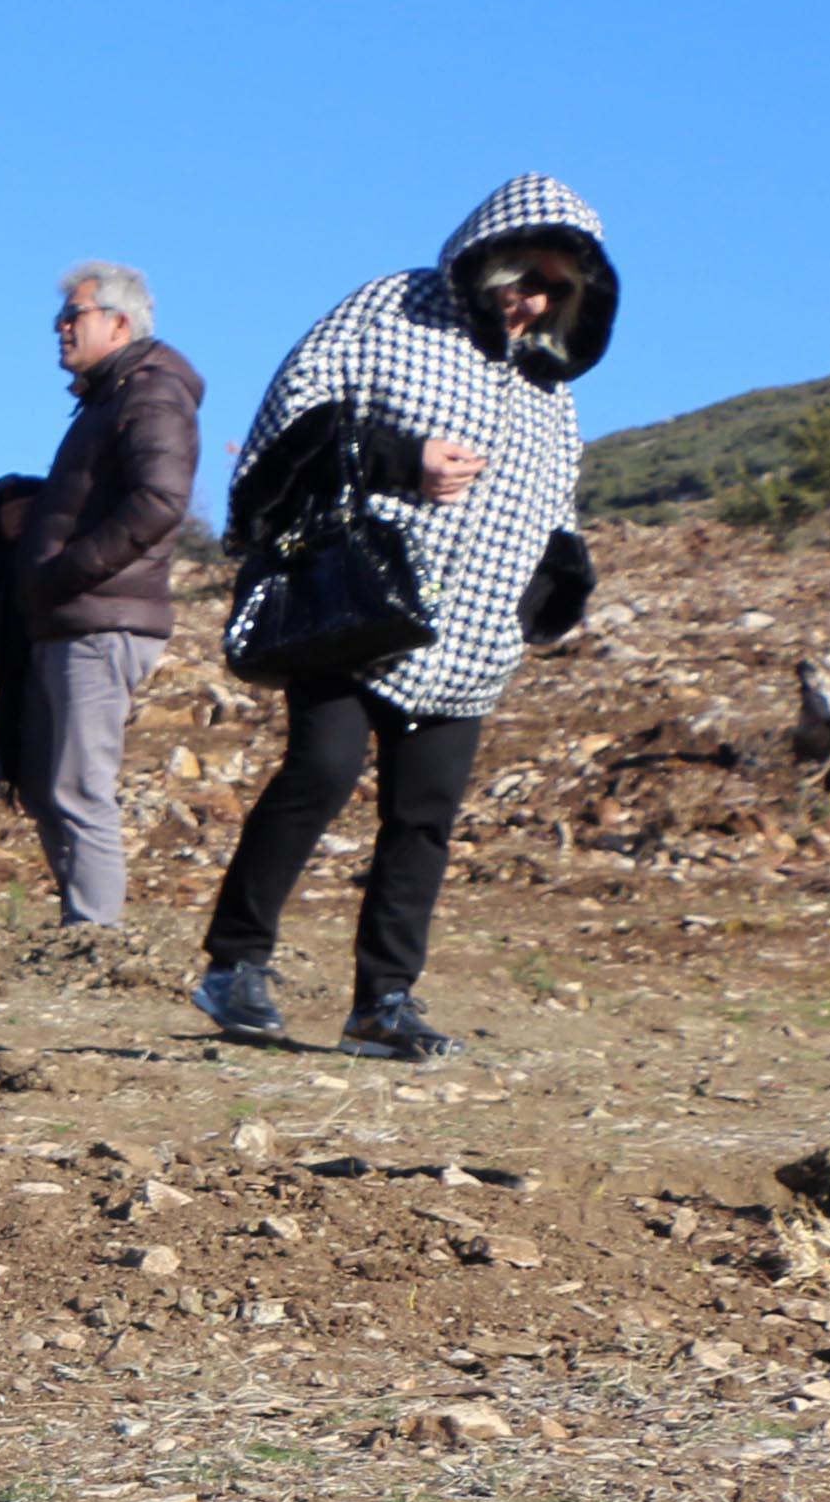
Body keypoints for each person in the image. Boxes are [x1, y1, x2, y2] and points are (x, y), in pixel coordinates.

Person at [193, 179, 617, 1062]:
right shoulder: (389, 309)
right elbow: (294, 423)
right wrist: (400, 458)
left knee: (424, 817)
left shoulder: (548, 385)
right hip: (358, 603)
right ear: (487, 257)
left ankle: (383, 1003)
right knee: (321, 769)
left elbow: (555, 500)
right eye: (524, 276)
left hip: (472, 635)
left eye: (556, 288)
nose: (535, 301)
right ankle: (234, 964)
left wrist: (557, 572)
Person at [7, 264, 203, 924]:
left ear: (120, 323)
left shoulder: (151, 393)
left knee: (79, 786)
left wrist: (67, 570)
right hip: (73, 619)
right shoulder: (110, 396)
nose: (61, 328)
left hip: (101, 621)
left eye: (74, 315)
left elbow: (161, 500)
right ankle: (79, 936)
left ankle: (95, 939)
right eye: (60, 318)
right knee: (48, 785)